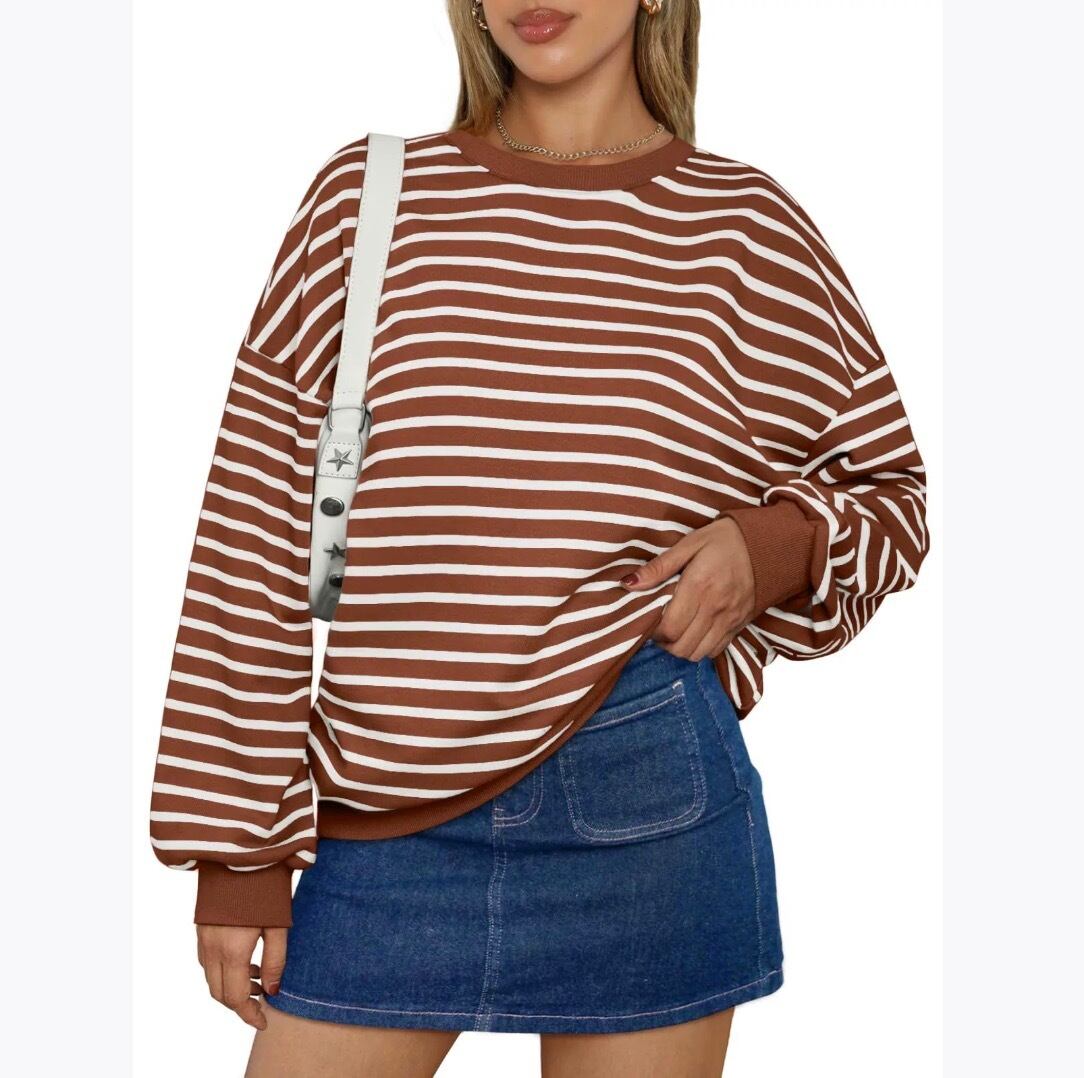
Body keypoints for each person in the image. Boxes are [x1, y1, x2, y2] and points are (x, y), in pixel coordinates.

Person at [148, 1, 931, 1074]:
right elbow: (251, 529)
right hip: (380, 808)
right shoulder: (367, 201)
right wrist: (236, 852)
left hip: (647, 795)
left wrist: (767, 550)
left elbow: (890, 496)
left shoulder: (744, 230)